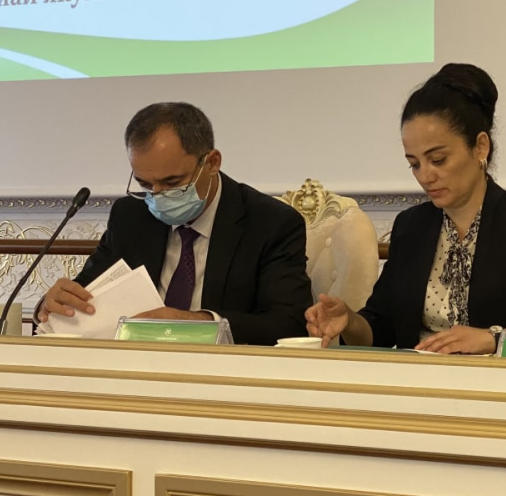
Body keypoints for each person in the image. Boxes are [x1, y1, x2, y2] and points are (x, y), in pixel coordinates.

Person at [305, 63, 506, 353]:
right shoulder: (412, 226)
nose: (425, 176)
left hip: (503, 379)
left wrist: (494, 339)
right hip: (419, 378)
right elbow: (381, 328)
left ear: (480, 147)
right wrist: (349, 321)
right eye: (414, 164)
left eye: (438, 160)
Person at [37, 102, 313, 345]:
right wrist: (51, 304)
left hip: (224, 371)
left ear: (212, 163)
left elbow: (287, 322)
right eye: (146, 184)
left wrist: (197, 322)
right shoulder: (130, 216)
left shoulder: (270, 222)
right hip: (134, 366)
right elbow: (86, 293)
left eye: (172, 182)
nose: (158, 196)